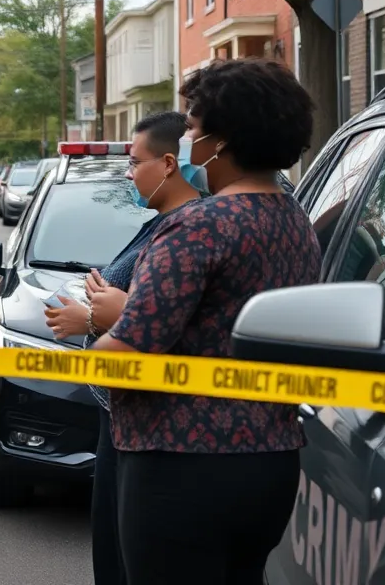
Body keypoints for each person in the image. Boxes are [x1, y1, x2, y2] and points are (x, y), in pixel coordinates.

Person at [95, 58, 321, 585]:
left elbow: (124, 359)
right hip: (270, 462)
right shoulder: (296, 220)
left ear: (222, 140)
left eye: (194, 128)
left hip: (181, 470)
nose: (190, 139)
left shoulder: (199, 225)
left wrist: (103, 325)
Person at [44, 111, 201, 585]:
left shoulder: (190, 229)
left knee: (130, 557)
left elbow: (170, 323)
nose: (129, 174)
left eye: (134, 163)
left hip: (149, 418)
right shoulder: (161, 222)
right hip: (118, 412)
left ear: (170, 163)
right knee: (112, 545)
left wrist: (92, 316)